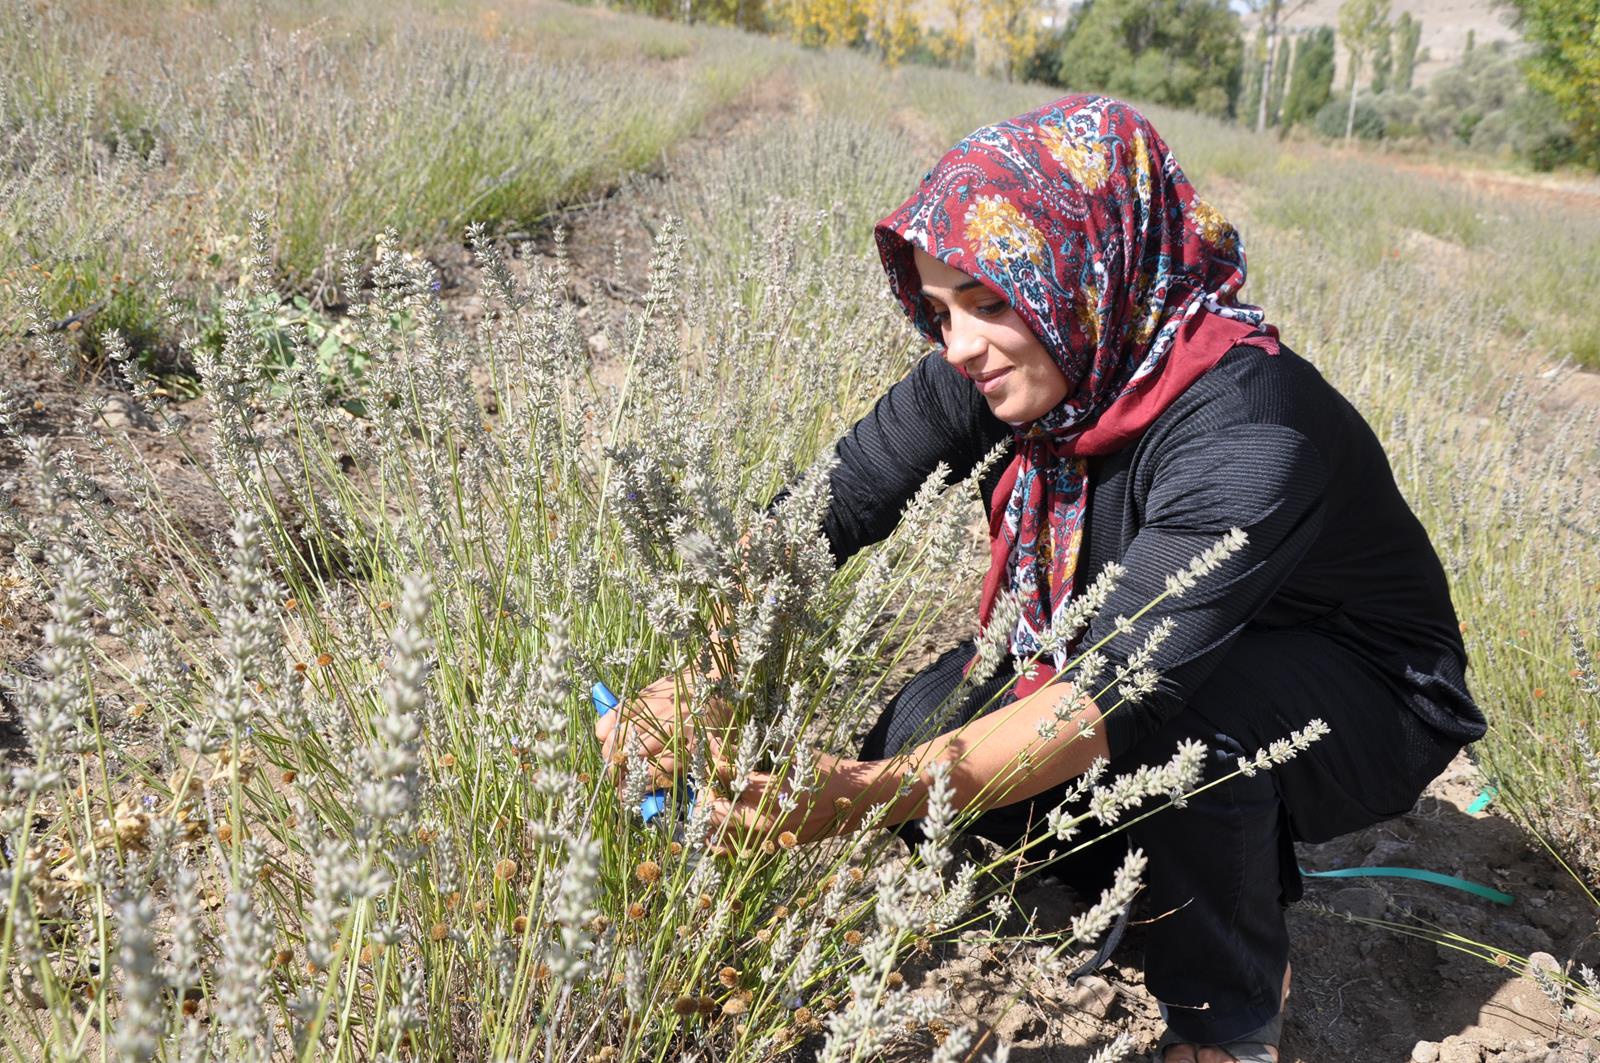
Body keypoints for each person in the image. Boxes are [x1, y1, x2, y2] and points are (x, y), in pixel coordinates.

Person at [596, 95, 1486, 1063]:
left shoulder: (1253, 429)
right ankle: (1149, 866)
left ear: (1085, 271)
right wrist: (703, 673)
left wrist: (858, 795)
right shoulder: (1014, 362)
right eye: (939, 310)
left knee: (1181, 730)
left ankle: (1229, 1007)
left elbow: (1115, 691)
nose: (957, 344)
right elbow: (824, 510)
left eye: (987, 303)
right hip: (1150, 647)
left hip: (1360, 688)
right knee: (919, 732)